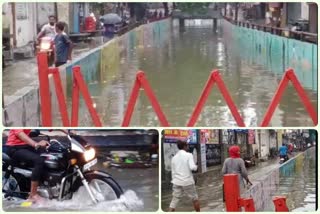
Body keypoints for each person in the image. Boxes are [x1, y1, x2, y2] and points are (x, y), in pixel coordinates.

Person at [5, 129, 49, 202]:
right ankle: (33, 195)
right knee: (39, 160)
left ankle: (45, 186)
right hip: (14, 147)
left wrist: (68, 131)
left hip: (25, 146)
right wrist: (35, 144)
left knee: (49, 155)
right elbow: (20, 133)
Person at [169, 141, 200, 212]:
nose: (188, 147)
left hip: (176, 182)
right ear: (185, 146)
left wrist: (174, 181)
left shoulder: (174, 158)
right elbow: (192, 167)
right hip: (187, 181)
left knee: (174, 201)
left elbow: (173, 172)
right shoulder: (189, 155)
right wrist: (196, 167)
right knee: (195, 199)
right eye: (187, 146)